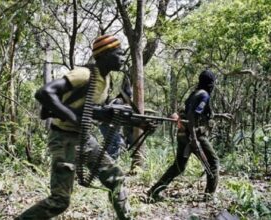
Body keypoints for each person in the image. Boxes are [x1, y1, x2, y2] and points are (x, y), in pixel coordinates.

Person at [16, 35, 130, 220]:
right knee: (60, 201)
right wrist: (74, 117)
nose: (123, 59)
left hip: (84, 138)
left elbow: (88, 108)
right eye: (119, 54)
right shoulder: (84, 74)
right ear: (105, 55)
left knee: (116, 178)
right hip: (63, 139)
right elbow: (44, 93)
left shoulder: (105, 78)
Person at [146, 70, 219, 202]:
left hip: (183, 134)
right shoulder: (204, 95)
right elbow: (191, 115)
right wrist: (195, 140)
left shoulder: (195, 93)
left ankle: (153, 191)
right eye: (213, 83)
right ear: (210, 83)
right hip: (194, 135)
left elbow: (194, 113)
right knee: (213, 162)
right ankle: (209, 197)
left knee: (179, 166)